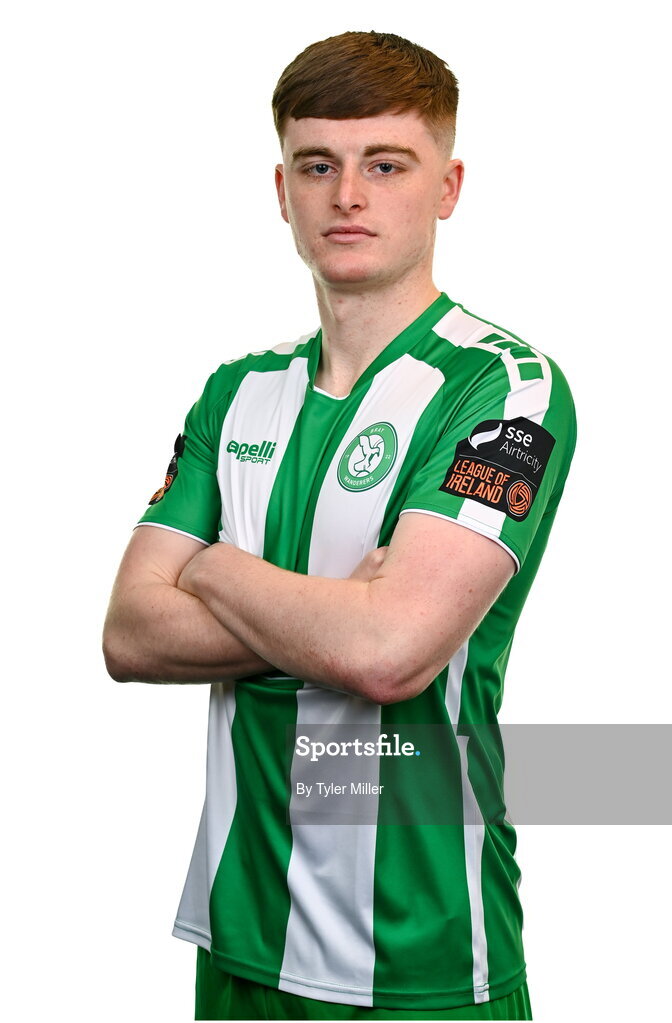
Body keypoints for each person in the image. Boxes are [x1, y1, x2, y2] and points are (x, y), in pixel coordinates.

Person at [103, 29, 576, 1021]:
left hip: (419, 960)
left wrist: (218, 569)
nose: (347, 196)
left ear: (447, 188)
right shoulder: (236, 393)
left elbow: (389, 654)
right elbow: (130, 633)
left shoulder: (504, 392)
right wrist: (336, 607)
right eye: (317, 165)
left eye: (385, 165)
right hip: (240, 939)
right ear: (282, 191)